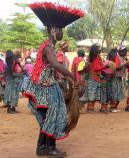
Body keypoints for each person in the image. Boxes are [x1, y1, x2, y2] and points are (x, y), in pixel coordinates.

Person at [23, 2, 84, 157]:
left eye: (62, 29)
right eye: (60, 29)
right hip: (43, 88)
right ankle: (49, 148)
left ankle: (42, 148)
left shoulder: (50, 46)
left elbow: (53, 67)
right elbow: (56, 64)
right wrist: (72, 77)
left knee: (51, 116)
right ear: (52, 30)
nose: (62, 32)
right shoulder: (48, 47)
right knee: (54, 114)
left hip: (49, 86)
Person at [86, 44, 109, 113]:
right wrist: (105, 66)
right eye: (99, 49)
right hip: (94, 77)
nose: (100, 50)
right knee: (93, 92)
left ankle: (90, 107)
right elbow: (96, 68)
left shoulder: (92, 57)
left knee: (93, 92)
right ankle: (90, 108)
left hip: (94, 77)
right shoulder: (96, 57)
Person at [109, 45, 129, 113]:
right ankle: (112, 107)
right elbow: (116, 67)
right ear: (121, 51)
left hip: (119, 77)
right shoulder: (117, 57)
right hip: (115, 77)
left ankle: (115, 107)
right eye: (125, 51)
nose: (126, 52)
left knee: (119, 92)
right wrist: (125, 65)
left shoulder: (122, 57)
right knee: (115, 91)